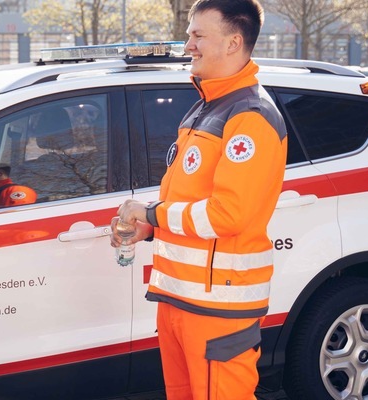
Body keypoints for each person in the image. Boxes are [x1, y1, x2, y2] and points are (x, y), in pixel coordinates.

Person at [111, 0, 287, 399]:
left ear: (233, 42)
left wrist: (152, 212)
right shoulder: (205, 108)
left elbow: (227, 215)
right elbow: (193, 202)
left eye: (197, 35)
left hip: (217, 309)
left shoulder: (250, 117)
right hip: (180, 300)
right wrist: (149, 228)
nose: (188, 44)